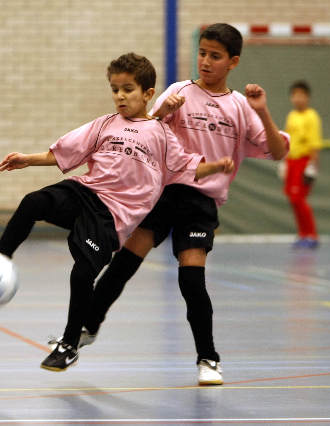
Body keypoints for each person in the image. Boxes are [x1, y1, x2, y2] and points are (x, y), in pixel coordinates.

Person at [0, 52, 234, 372]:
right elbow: (64, 151)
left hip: (111, 216)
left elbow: (188, 167)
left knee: (83, 272)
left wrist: (215, 168)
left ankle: (70, 344)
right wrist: (28, 158)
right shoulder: (104, 124)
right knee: (32, 202)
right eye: (115, 89)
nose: (120, 96)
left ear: (148, 94)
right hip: (85, 191)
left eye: (128, 89)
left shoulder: (161, 135)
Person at [78, 24, 290, 386]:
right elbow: (145, 128)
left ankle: (208, 358)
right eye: (202, 53)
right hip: (163, 192)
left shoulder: (240, 107)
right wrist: (162, 109)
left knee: (192, 279)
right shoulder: (179, 92)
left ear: (233, 62)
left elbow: (279, 150)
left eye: (215, 56)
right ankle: (87, 326)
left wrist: (263, 111)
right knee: (123, 264)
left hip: (200, 201)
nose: (205, 61)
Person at [281, 80, 322, 249]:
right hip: (291, 161)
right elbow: (286, 140)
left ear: (307, 97)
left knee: (300, 198)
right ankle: (302, 234)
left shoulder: (311, 116)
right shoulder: (291, 116)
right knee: (292, 199)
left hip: (304, 162)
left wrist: (312, 166)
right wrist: (284, 161)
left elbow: (314, 143)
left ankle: (312, 235)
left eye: (301, 95)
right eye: (295, 95)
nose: (298, 99)